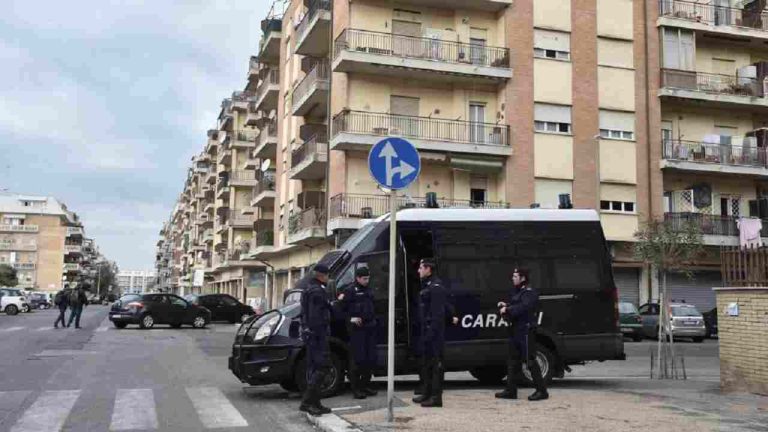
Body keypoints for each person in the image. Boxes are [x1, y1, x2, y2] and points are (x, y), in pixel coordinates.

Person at [496, 268, 549, 401]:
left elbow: (524, 307)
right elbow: (516, 304)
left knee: (530, 361)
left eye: (515, 276)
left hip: (525, 331)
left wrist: (507, 309)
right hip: (516, 330)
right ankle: (511, 390)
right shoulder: (519, 291)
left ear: (523, 278)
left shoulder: (529, 292)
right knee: (512, 361)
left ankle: (542, 391)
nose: (513, 278)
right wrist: (506, 305)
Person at [412, 258, 452, 408]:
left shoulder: (436, 287)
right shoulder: (428, 285)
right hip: (427, 332)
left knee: (436, 366)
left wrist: (430, 335)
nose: (418, 270)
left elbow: (437, 315)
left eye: (421, 268)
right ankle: (427, 393)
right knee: (427, 365)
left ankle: (436, 398)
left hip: (434, 335)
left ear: (428, 269)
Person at [337, 267, 377, 399]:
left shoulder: (369, 289)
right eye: (364, 279)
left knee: (369, 359)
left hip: (369, 328)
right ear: (358, 278)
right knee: (357, 360)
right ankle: (357, 389)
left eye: (368, 278)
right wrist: (351, 319)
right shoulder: (349, 291)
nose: (367, 281)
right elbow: (340, 310)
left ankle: (365, 385)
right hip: (357, 330)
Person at [298, 264, 334, 416]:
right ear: (322, 275)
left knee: (315, 368)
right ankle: (307, 402)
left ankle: (315, 402)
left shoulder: (309, 288)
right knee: (322, 367)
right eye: (327, 275)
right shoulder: (317, 291)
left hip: (311, 334)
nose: (328, 278)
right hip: (317, 335)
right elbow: (315, 316)